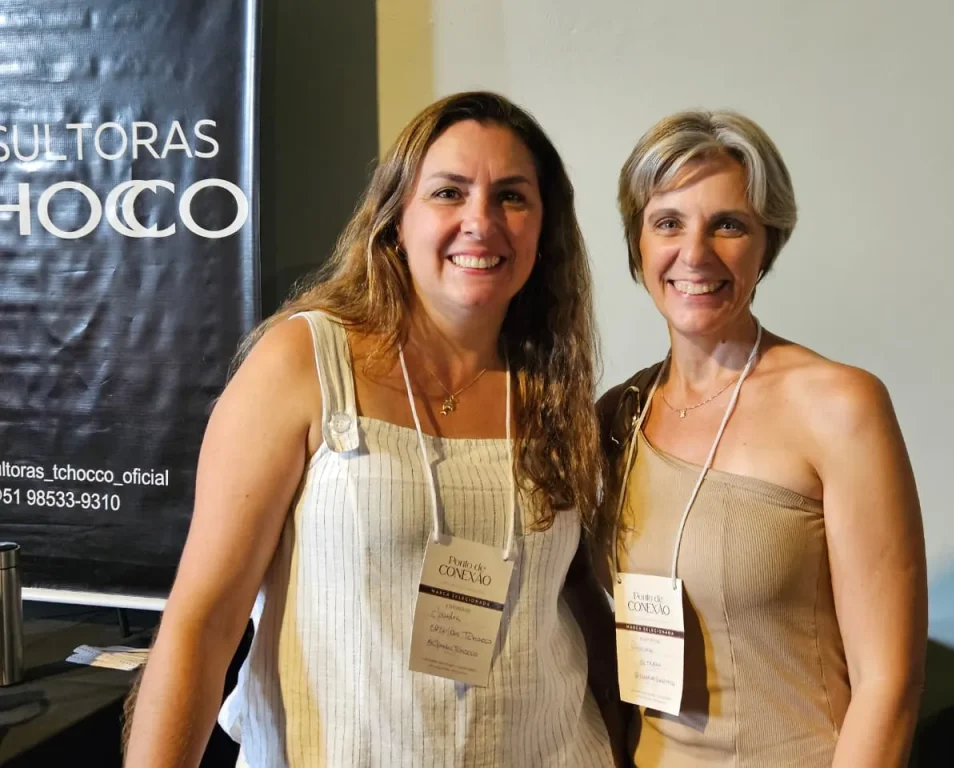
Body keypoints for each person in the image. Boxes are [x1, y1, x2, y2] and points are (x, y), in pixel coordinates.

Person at [124, 91, 616, 767]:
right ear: (396, 221)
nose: (481, 221)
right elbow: (202, 624)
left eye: (511, 197)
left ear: (543, 228)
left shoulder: (554, 386)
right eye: (448, 192)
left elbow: (574, 594)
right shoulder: (303, 362)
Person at [596, 110, 927, 767]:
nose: (695, 253)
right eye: (668, 223)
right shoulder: (617, 417)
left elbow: (888, 685)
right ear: (638, 243)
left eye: (728, 224)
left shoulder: (840, 407)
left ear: (766, 244)